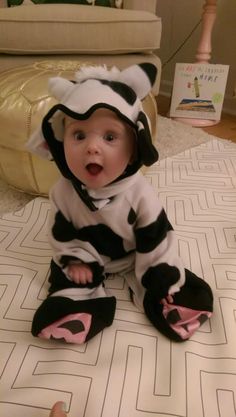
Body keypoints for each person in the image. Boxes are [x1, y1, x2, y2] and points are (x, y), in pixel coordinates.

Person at [27, 63, 213, 344]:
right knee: (66, 274)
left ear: (135, 147)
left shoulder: (139, 192)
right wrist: (76, 259)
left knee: (164, 276)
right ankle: (75, 310)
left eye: (110, 137)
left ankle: (168, 301)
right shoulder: (63, 192)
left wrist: (158, 272)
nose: (92, 147)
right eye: (78, 135)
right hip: (89, 253)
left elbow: (156, 235)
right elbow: (62, 232)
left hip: (134, 252)